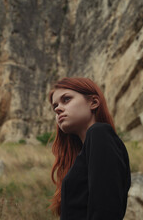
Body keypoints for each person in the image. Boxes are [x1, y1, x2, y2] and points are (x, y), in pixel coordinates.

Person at [47, 77, 131, 220]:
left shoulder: (100, 133)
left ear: (93, 102)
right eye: (55, 106)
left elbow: (106, 210)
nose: (58, 109)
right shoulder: (84, 153)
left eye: (66, 99)